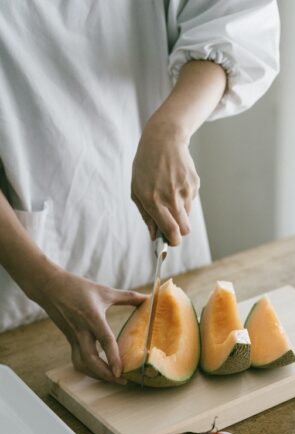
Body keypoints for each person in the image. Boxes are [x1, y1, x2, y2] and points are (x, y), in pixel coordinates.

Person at [0, 0, 280, 384]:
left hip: (153, 219)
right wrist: (43, 282)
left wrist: (170, 128)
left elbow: (232, 20)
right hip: (20, 271)